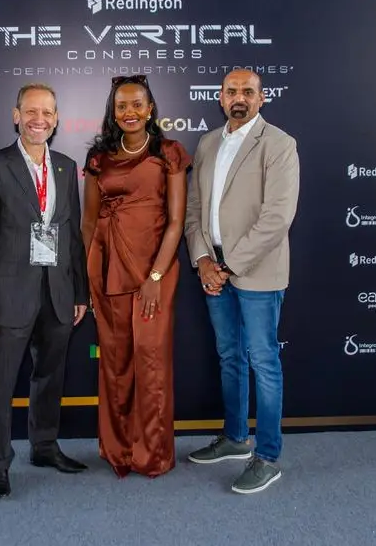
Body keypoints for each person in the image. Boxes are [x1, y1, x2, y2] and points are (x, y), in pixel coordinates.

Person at [183, 69, 300, 495]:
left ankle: (267, 456)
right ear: (220, 97)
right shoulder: (208, 143)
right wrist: (202, 260)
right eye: (231, 91)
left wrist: (228, 266)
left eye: (248, 91)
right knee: (230, 355)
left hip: (257, 272)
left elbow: (277, 218)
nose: (239, 97)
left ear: (261, 98)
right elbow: (194, 209)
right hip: (213, 269)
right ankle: (235, 437)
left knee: (263, 362)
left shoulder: (279, 144)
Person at [0, 83, 89, 499]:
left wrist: (79, 293)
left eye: (48, 113)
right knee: (2, 383)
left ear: (56, 120)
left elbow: (72, 237)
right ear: (16, 116)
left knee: (50, 376)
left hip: (57, 293)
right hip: (9, 296)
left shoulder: (65, 166)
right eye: (31, 111)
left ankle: (44, 446)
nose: (40, 119)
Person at [82, 74, 191, 478]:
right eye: (121, 105)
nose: (129, 112)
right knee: (115, 363)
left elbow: (176, 222)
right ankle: (119, 449)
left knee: (151, 361)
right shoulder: (99, 159)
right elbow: (88, 223)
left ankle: (153, 453)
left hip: (154, 272)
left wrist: (156, 276)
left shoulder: (169, 153)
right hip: (107, 269)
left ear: (150, 109)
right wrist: (87, 280)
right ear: (113, 112)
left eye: (137, 104)